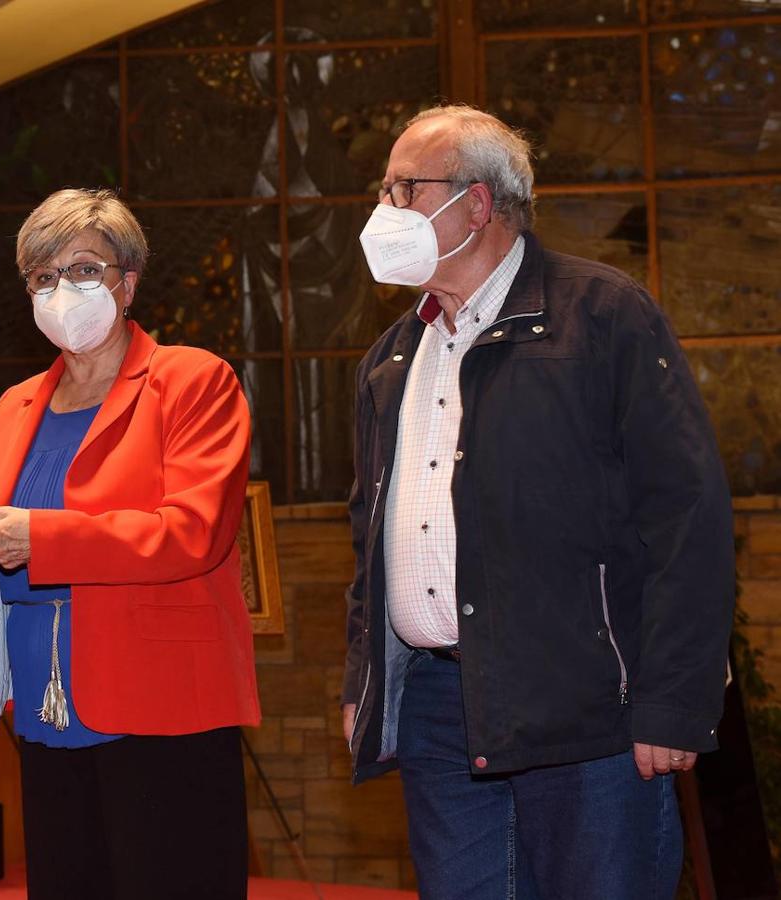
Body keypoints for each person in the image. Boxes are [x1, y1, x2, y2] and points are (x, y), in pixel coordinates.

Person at [340, 105, 735, 899]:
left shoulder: (602, 316)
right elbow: (369, 537)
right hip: (437, 711)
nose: (383, 212)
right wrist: (366, 682)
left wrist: (673, 702)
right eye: (382, 189)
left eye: (403, 188)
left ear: (476, 204)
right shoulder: (391, 357)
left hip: (583, 707)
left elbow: (685, 517)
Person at [0, 188, 261, 900]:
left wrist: (37, 536)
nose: (62, 291)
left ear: (127, 280)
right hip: (44, 710)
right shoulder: (13, 406)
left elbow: (191, 534)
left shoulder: (191, 381)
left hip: (160, 708)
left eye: (83, 270)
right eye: (43, 277)